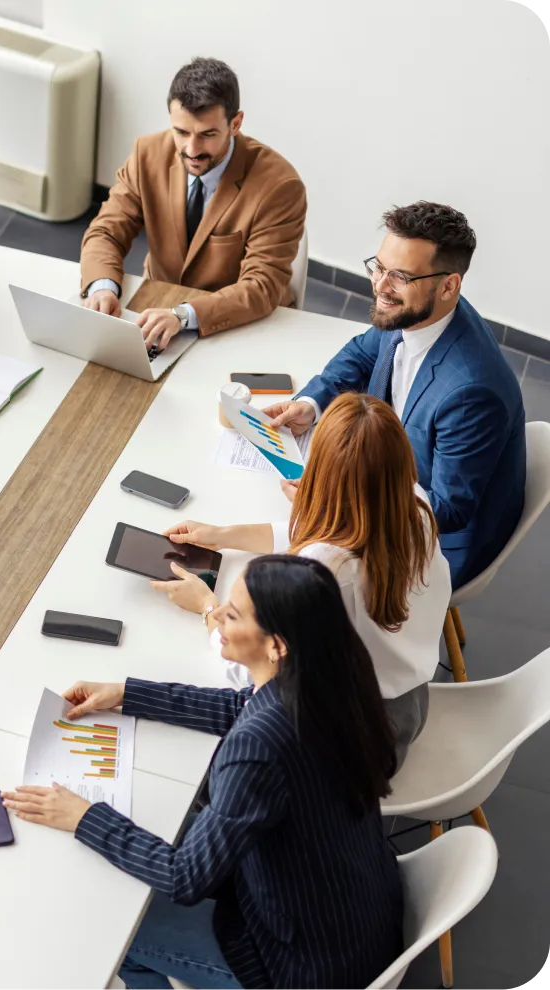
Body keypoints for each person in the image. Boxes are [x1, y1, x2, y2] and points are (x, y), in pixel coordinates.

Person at [3, 555, 403, 990]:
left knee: (112, 928)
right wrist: (127, 694)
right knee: (161, 825)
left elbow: (185, 878)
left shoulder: (260, 747)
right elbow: (242, 706)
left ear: (276, 645)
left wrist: (84, 816)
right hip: (355, 916)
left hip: (303, 966)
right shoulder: (329, 681)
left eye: (230, 615)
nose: (217, 619)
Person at [156, 392, 448, 768]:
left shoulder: (326, 574)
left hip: (355, 741)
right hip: (409, 700)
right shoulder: (412, 506)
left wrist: (207, 609)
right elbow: (333, 531)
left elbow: (252, 670)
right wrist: (223, 534)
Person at [267, 202, 525, 588]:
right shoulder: (416, 310)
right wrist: (310, 404)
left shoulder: (473, 390)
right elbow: (360, 354)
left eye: (400, 276)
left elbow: (447, 509)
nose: (380, 286)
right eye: (380, 267)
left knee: (289, 571)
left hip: (438, 547)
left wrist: (337, 497)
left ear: (449, 285)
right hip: (388, 477)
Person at [80, 57, 306, 351]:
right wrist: (102, 287)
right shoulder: (146, 154)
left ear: (235, 123)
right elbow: (107, 232)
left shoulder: (280, 186)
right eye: (181, 132)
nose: (192, 149)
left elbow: (261, 286)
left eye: (207, 135)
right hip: (157, 307)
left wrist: (184, 315)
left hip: (235, 322)